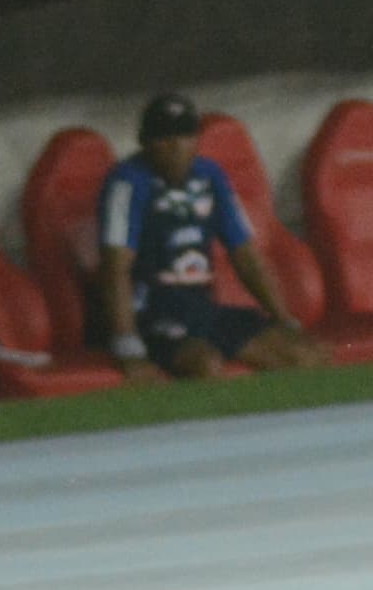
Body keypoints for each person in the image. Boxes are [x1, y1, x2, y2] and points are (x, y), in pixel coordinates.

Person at [97, 94, 332, 382]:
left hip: (202, 310)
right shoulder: (128, 181)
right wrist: (127, 346)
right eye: (164, 138)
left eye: (185, 136)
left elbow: (246, 255)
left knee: (306, 354)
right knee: (206, 364)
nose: (176, 147)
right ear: (144, 142)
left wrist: (285, 319)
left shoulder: (210, 176)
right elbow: (115, 267)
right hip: (153, 315)